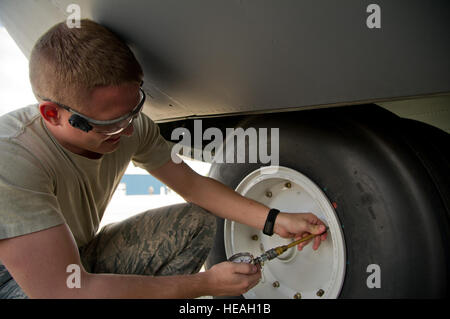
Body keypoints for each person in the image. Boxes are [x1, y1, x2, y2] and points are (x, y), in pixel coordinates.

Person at [0, 19, 327, 298]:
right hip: (21, 283)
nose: (128, 130)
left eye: (133, 110)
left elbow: (194, 186)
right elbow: (63, 292)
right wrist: (204, 283)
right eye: (109, 123)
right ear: (52, 113)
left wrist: (275, 219)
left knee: (194, 223)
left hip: (76, 260)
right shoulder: (12, 158)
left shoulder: (129, 126)